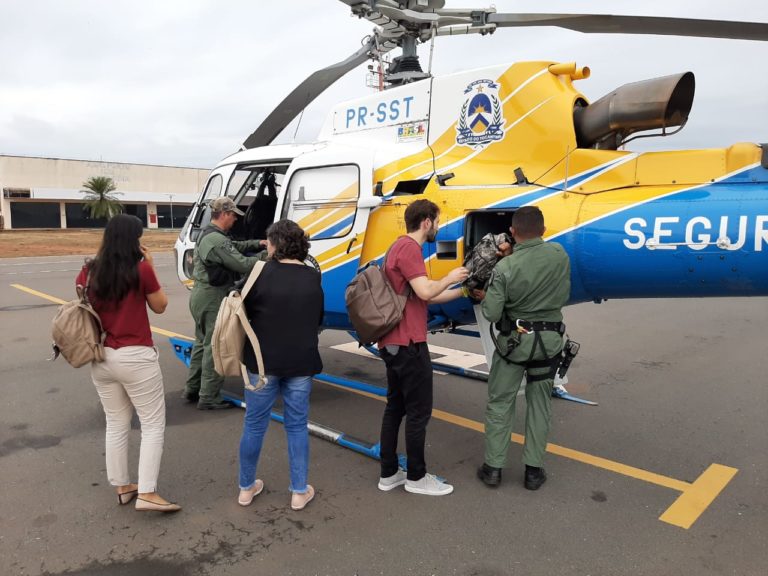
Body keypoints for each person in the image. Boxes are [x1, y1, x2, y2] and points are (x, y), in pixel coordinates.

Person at [76, 214, 180, 513]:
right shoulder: (140, 269)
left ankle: (123, 486)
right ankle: (147, 492)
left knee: (116, 422)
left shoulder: (88, 272)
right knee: (151, 424)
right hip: (136, 356)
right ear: (132, 239)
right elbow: (160, 307)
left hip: (102, 356)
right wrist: (151, 267)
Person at [474, 206, 571, 490]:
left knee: (501, 403)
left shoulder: (505, 267)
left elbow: (491, 313)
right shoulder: (559, 255)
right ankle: (533, 472)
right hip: (549, 344)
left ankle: (493, 469)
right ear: (543, 230)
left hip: (514, 347)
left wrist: (489, 291)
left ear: (513, 233)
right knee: (540, 405)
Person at [376, 199, 469, 496]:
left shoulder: (396, 248)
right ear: (427, 221)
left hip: (393, 342)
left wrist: (462, 291)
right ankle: (417, 478)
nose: (438, 228)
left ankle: (389, 473)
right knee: (418, 412)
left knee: (396, 409)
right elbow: (426, 289)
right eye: (437, 221)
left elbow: (424, 297)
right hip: (409, 344)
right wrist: (451, 276)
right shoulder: (410, 249)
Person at [237, 219, 324, 511]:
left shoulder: (260, 272)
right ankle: (299, 492)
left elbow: (242, 311)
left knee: (254, 425)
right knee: (297, 426)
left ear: (275, 244)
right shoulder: (313, 277)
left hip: (261, 362)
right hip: (300, 361)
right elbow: (318, 319)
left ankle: (246, 489)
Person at [183, 196, 266, 410]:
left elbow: (234, 245)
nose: (236, 220)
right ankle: (209, 396)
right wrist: (268, 254)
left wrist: (258, 242)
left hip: (201, 295)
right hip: (212, 296)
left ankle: (193, 389)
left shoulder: (210, 234)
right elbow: (242, 263)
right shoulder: (217, 240)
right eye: (234, 216)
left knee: (202, 343)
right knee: (215, 344)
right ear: (225, 214)